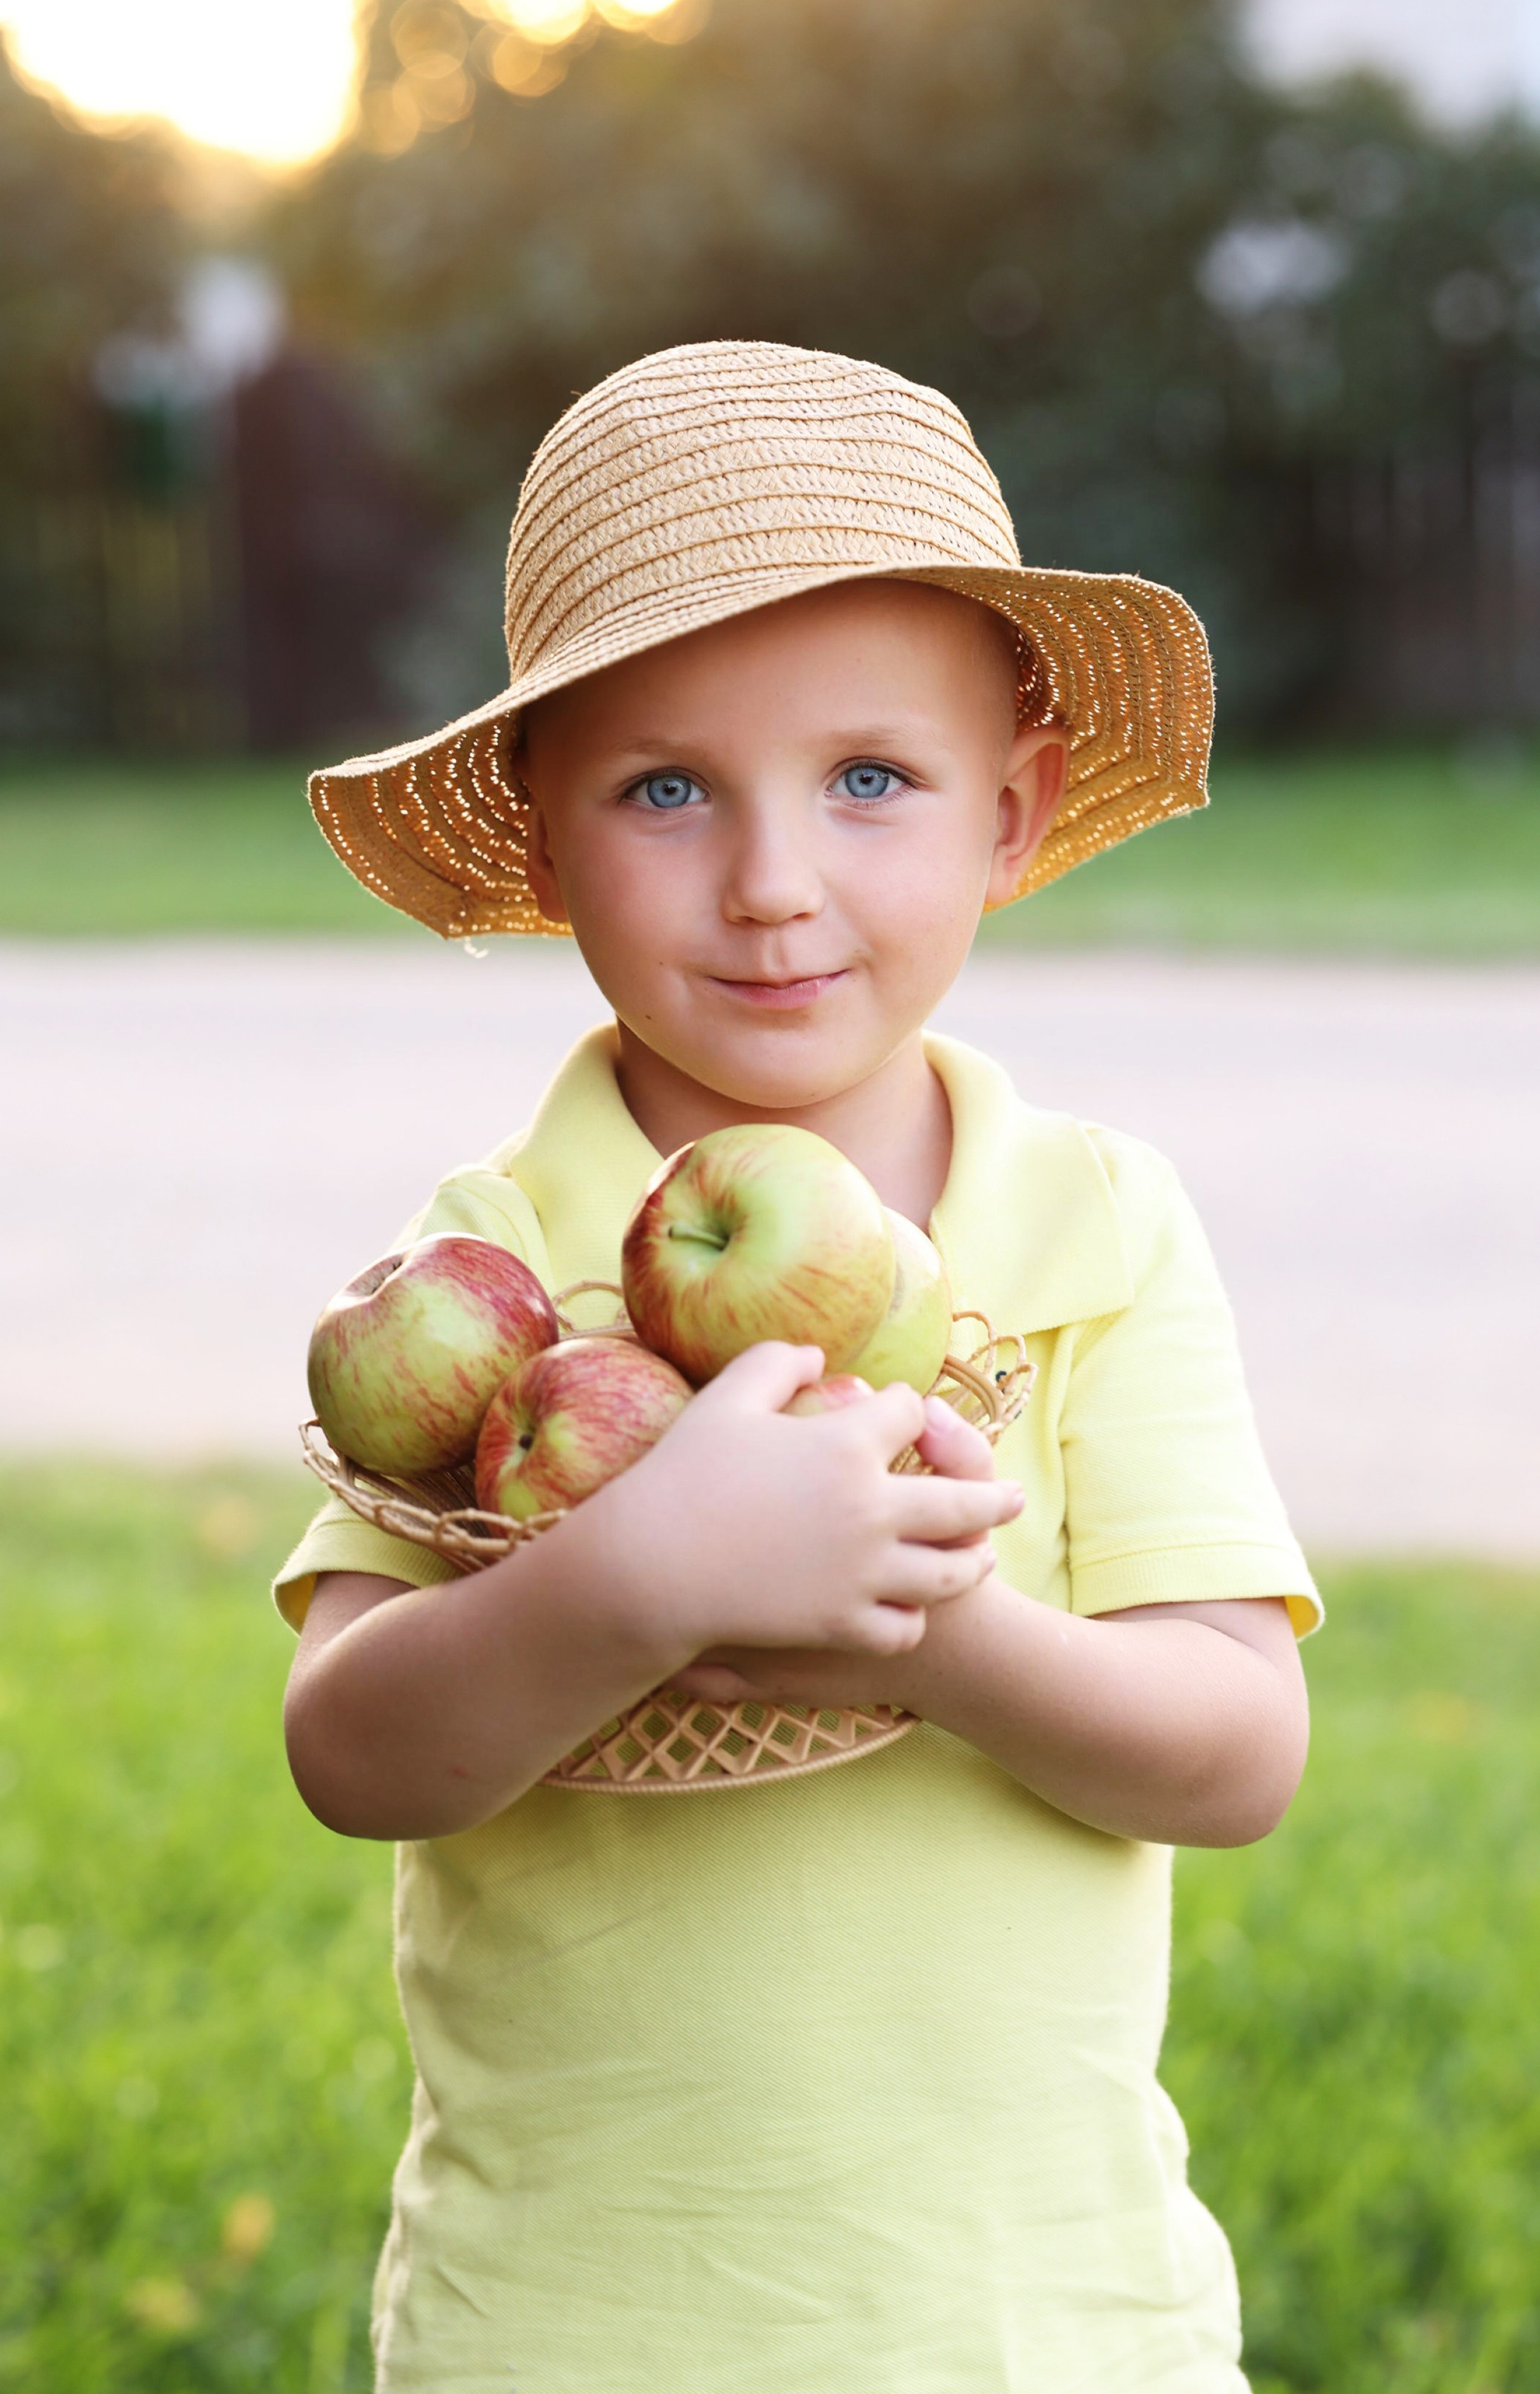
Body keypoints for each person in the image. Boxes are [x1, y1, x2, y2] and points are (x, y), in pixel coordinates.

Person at [275, 341, 1321, 2394]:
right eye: (666, 788)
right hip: (568, 2333)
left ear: (1010, 815)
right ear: (543, 831)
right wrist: (640, 1577)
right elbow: (349, 1750)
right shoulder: (492, 1269)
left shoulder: (1095, 1225)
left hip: (1044, 2326)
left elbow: (1237, 1750)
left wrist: (935, 1642)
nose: (772, 879)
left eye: (871, 778)